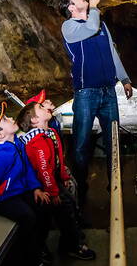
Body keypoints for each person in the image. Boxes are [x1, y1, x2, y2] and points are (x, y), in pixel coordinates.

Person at [59, 0, 133, 203]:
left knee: (113, 140)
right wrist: (93, 7)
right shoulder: (69, 27)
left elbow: (112, 52)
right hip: (86, 93)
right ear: (70, 8)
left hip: (108, 91)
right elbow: (90, 28)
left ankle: (115, 185)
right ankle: (80, 187)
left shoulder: (100, 24)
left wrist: (124, 79)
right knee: (81, 143)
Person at [0, 110, 51, 266]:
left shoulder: (17, 143)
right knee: (28, 216)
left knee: (44, 205)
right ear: (0, 135)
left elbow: (27, 167)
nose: (11, 118)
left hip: (19, 190)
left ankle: (39, 246)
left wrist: (36, 188)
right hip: (2, 199)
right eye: (6, 119)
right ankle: (31, 259)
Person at [16, 102, 96, 261]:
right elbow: (44, 170)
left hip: (53, 182)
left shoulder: (50, 132)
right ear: (34, 120)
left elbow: (58, 158)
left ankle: (70, 237)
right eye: (40, 107)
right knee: (62, 211)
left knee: (69, 205)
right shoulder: (37, 141)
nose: (45, 107)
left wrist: (64, 177)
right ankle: (70, 246)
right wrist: (53, 193)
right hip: (43, 186)